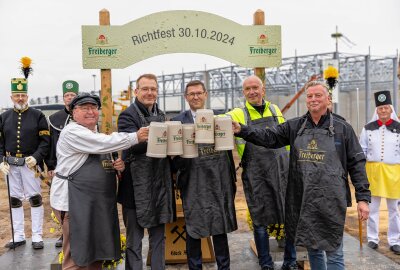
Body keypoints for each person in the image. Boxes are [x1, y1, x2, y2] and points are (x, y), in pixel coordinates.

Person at [232, 80, 371, 270]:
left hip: (331, 200)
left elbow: (357, 163)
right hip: (303, 199)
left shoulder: (342, 128)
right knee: (312, 248)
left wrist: (363, 198)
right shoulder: (295, 126)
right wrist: (243, 130)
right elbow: (269, 137)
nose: (313, 99)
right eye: (310, 96)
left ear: (328, 99)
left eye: (318, 95)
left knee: (334, 252)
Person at [49, 92, 149, 269]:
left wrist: (116, 166)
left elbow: (100, 155)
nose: (90, 111)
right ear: (73, 112)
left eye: (94, 107)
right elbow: (102, 143)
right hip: (74, 203)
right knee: (76, 256)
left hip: (95, 204)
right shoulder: (72, 132)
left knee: (96, 254)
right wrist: (135, 137)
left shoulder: (95, 132)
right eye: (84, 108)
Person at [226, 75, 296, 270]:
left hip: (283, 172)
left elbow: (286, 141)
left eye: (255, 87)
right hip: (256, 175)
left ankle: (290, 262)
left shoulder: (274, 110)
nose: (252, 92)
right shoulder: (238, 114)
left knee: (289, 215)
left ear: (263, 90)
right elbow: (219, 121)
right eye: (247, 89)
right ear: (243, 93)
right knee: (260, 218)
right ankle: (266, 263)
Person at [171, 80, 237, 270]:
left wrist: (230, 179)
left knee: (219, 226)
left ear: (205, 94)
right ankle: (195, 267)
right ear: (186, 97)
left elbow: (227, 153)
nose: (195, 97)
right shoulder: (177, 121)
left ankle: (224, 267)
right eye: (191, 94)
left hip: (218, 181)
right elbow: (173, 158)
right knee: (193, 227)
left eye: (199, 93)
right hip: (192, 181)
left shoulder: (220, 119)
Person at [117, 73, 175, 270]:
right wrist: (162, 140)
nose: (150, 93)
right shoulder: (127, 115)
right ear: (136, 91)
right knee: (135, 240)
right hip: (135, 186)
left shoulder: (161, 113)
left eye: (153, 89)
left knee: (159, 237)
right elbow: (131, 146)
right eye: (145, 89)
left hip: (159, 184)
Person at [0, 78, 50, 249]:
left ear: (27, 96)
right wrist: (1, 161)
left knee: (35, 198)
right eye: (16, 95)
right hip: (11, 165)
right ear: (11, 97)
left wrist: (36, 157)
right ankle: (18, 236)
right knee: (14, 200)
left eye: (22, 95)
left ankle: (37, 236)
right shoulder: (4, 117)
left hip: (30, 164)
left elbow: (45, 141)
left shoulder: (38, 115)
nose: (20, 98)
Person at [359, 90, 400, 254]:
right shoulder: (367, 129)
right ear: (377, 110)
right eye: (380, 108)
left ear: (391, 109)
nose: (383, 111)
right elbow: (362, 150)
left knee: (394, 210)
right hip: (373, 172)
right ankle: (372, 239)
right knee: (372, 208)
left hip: (394, 173)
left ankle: (395, 240)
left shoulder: (399, 128)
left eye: (386, 108)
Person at [46, 80, 79, 248]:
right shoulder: (54, 119)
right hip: (60, 168)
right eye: (67, 95)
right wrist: (50, 166)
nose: (69, 98)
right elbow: (51, 143)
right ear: (63, 98)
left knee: (77, 200)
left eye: (72, 95)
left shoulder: (83, 115)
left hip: (80, 167)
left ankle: (78, 232)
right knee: (60, 202)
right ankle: (63, 233)